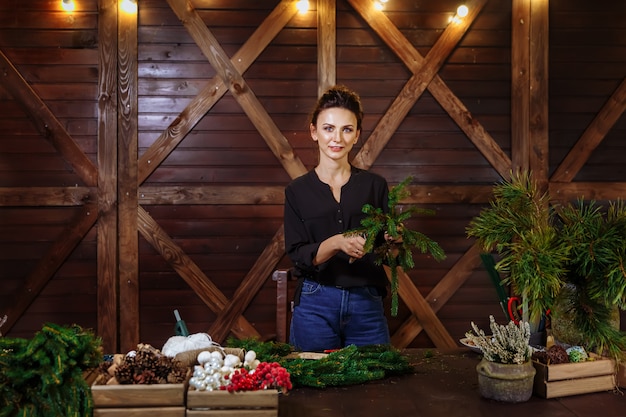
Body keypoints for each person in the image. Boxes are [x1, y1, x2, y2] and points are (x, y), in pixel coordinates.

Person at [283, 85, 393, 352]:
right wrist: (336, 242)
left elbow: (387, 250)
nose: (337, 138)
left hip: (367, 301)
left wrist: (392, 242)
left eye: (346, 129)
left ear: (357, 135)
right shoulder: (296, 191)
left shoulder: (375, 186)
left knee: (374, 387)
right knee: (314, 386)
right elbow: (298, 254)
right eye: (328, 128)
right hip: (315, 303)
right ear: (314, 132)